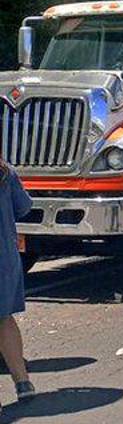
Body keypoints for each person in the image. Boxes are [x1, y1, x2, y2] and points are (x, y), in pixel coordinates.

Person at [0, 161, 33, 406]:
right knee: (4, 319)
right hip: (5, 260)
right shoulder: (5, 172)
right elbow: (23, 207)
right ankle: (22, 382)